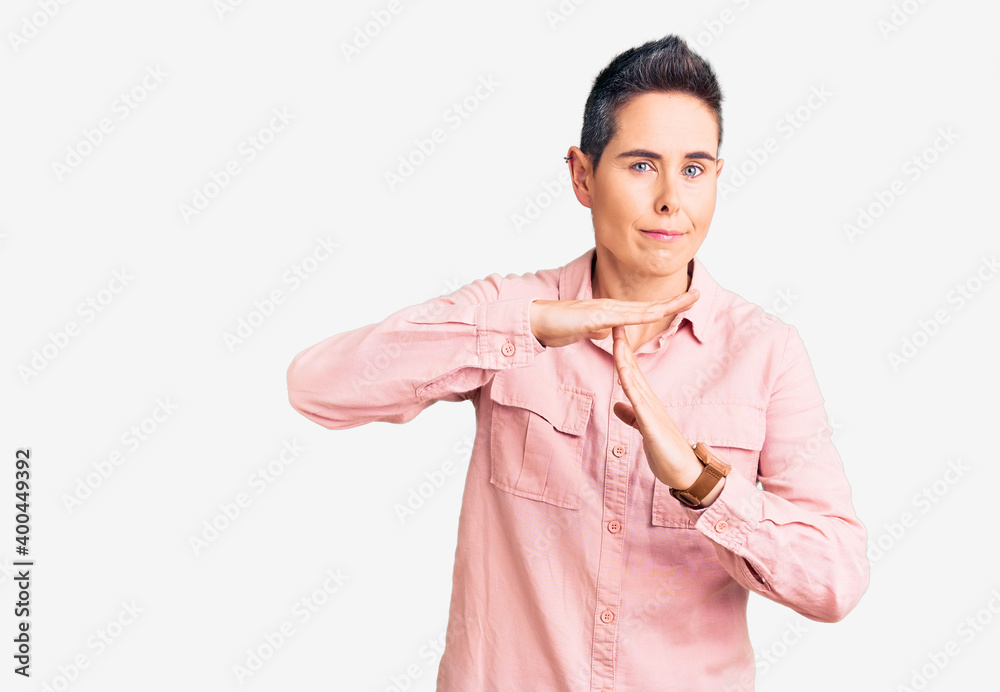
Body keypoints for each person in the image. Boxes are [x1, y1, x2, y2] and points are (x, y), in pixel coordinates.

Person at [286, 34, 869, 692]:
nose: (671, 199)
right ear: (582, 176)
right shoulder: (507, 309)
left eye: (694, 169)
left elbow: (837, 579)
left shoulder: (766, 352)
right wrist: (526, 326)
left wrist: (703, 486)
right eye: (642, 165)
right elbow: (317, 386)